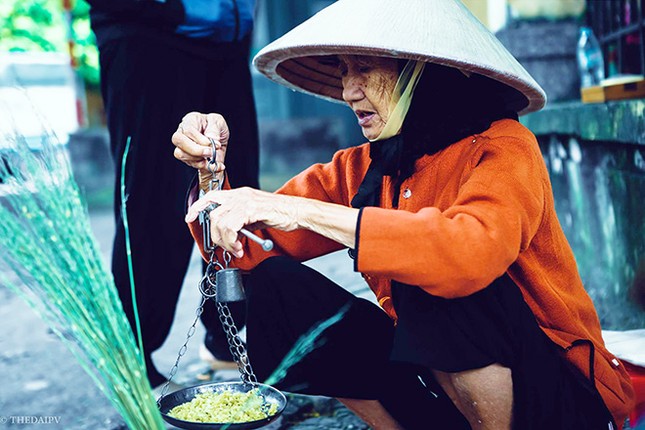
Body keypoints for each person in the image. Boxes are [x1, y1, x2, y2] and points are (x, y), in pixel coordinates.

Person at [172, 0, 634, 428]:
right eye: (344, 71)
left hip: (559, 398)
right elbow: (241, 247)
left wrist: (296, 208)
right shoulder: (364, 167)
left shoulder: (505, 147)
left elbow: (468, 253)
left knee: (431, 269)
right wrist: (213, 171)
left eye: (365, 69)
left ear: (421, 71)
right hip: (435, 384)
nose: (349, 90)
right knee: (278, 287)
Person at [87, 0, 259, 389]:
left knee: (236, 187)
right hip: (149, 37)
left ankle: (224, 338)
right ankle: (133, 356)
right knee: (154, 199)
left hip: (228, 41)